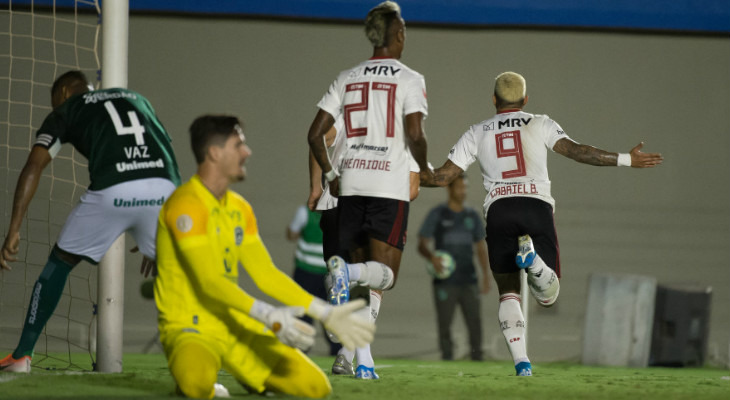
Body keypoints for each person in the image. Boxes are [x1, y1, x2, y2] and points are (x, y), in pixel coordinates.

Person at [420, 71, 663, 376]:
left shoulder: (477, 131)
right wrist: (626, 159)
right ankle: (533, 260)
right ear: (525, 100)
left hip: (499, 210)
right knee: (548, 297)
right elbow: (578, 152)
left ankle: (522, 363)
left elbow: (442, 176)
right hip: (536, 206)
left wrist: (407, 176)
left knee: (508, 292)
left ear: (494, 100)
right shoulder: (540, 122)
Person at [155, 115, 375, 399]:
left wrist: (324, 312)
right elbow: (209, 282)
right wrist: (268, 315)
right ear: (214, 153)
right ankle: (228, 375)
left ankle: (256, 377)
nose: (247, 153)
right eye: (239, 145)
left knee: (315, 387)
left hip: (234, 326)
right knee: (196, 387)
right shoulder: (186, 204)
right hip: (188, 327)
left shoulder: (239, 207)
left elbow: (265, 273)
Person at [0, 70, 181, 373]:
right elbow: (164, 147)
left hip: (113, 188)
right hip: (164, 188)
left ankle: (21, 356)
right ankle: (204, 365)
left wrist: (14, 228)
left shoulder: (69, 108)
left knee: (59, 263)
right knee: (181, 274)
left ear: (66, 94)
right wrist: (163, 226)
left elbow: (34, 165)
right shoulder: (137, 98)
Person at [307, 0, 433, 379]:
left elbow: (314, 135)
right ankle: (347, 276)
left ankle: (362, 362)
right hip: (386, 187)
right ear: (398, 35)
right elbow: (414, 134)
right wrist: (423, 167)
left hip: (347, 188)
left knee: (358, 284)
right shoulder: (410, 78)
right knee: (383, 276)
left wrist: (328, 177)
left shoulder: (346, 77)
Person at [308, 116, 421, 376]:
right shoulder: (399, 131)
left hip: (334, 207)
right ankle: (361, 360)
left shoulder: (347, 116)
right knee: (376, 279)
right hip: (373, 210)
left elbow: (318, 139)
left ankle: (347, 356)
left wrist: (316, 186)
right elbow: (412, 187)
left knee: (341, 275)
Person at [417, 173, 490, 361]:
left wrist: (486, 276)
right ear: (449, 189)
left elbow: (480, 247)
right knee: (444, 324)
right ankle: (447, 358)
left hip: (469, 279)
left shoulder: (472, 215)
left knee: (475, 322)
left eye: (465, 187)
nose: (462, 191)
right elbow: (421, 243)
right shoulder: (438, 214)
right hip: (444, 281)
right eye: (459, 187)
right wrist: (431, 257)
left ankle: (477, 357)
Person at [285, 204, 342, 356]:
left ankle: (338, 354)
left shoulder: (308, 213)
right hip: (308, 272)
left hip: (323, 273)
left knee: (330, 316)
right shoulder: (306, 213)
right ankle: (300, 351)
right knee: (305, 315)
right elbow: (291, 234)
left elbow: (291, 234)